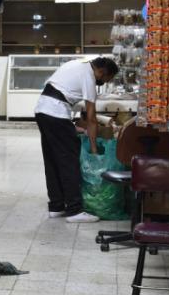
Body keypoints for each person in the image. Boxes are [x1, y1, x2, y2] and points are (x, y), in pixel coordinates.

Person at [35, 56, 119, 223]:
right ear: (102, 71)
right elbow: (92, 118)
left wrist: (72, 126)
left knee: (52, 159)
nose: (101, 83)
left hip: (42, 110)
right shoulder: (88, 77)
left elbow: (62, 91)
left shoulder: (75, 64)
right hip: (56, 112)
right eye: (105, 79)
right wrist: (94, 148)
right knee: (69, 160)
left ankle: (56, 206)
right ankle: (74, 210)